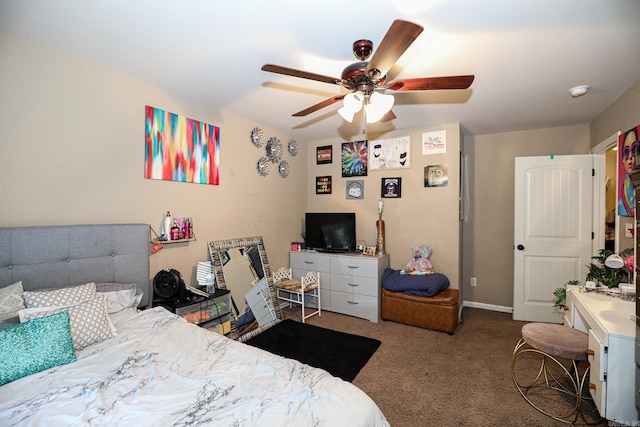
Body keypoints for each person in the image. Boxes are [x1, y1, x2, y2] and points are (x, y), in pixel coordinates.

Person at [618, 127, 638, 217]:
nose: (630, 156)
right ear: (622, 158)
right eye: (626, 151)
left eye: (634, 149)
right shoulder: (620, 204)